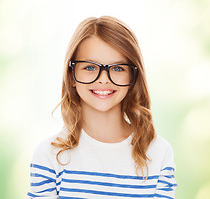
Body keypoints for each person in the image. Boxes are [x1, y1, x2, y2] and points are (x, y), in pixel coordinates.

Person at [27, 16, 177, 198]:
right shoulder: (50, 156)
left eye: (118, 68)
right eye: (90, 68)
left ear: (133, 77)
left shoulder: (158, 153)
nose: (103, 78)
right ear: (72, 75)